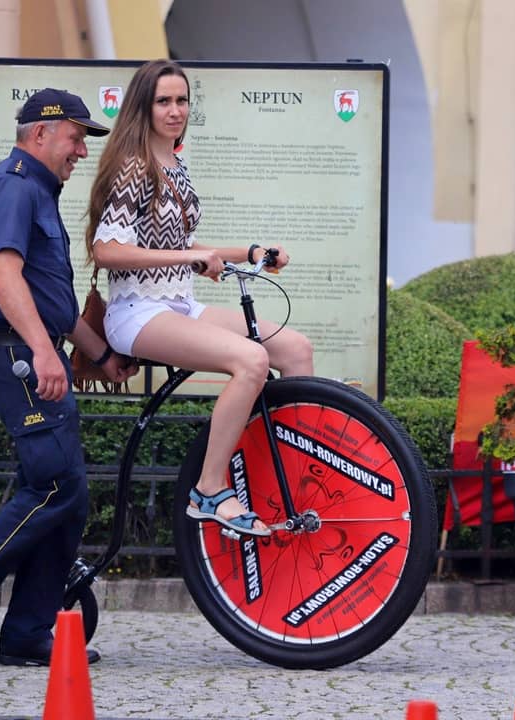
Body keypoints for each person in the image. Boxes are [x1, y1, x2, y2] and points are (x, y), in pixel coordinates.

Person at [0, 88, 136, 667]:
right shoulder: (15, 188)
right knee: (55, 486)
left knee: (68, 493)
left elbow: (52, 301)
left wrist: (100, 354)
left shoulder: (34, 191)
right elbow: (5, 277)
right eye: (75, 137)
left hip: (28, 351)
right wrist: (44, 352)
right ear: (40, 133)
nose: (81, 151)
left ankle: (26, 635)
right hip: (16, 356)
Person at [85, 60, 313, 537]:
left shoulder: (175, 165)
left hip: (180, 304)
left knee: (295, 349)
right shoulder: (133, 167)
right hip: (138, 311)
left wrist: (250, 252)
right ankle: (209, 490)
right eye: (163, 101)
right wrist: (189, 258)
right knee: (251, 360)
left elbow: (185, 246)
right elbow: (107, 250)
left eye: (182, 101)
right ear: (143, 108)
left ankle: (292, 476)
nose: (175, 110)